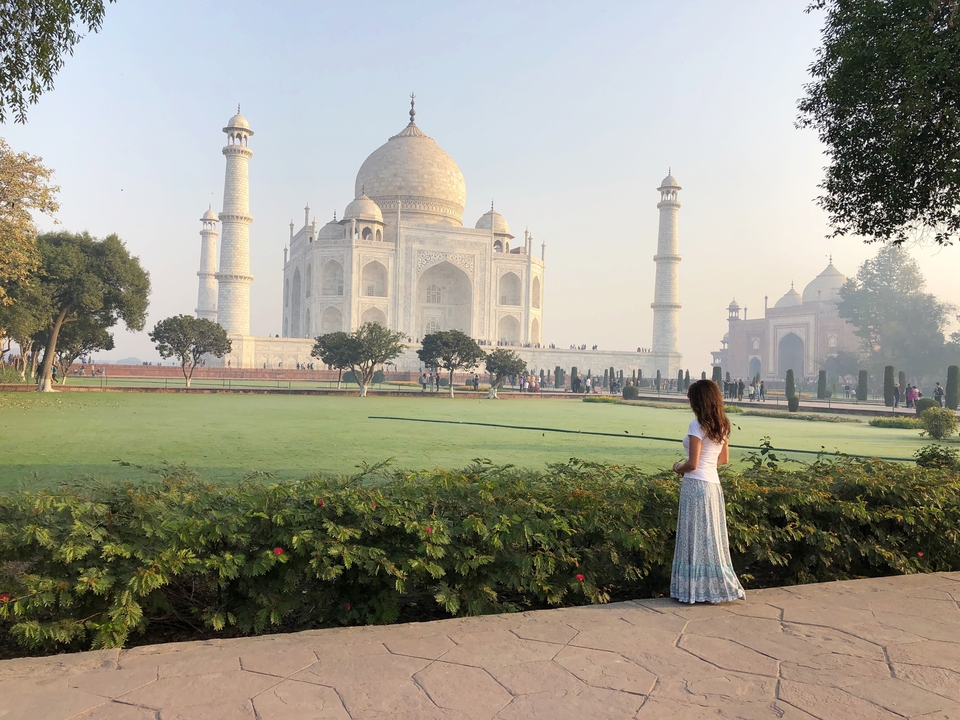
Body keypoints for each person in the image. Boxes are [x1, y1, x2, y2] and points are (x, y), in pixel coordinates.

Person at [670, 379, 745, 605]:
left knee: (693, 537)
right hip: (713, 485)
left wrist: (677, 467)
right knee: (711, 537)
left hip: (695, 484)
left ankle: (693, 589)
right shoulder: (722, 425)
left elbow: (692, 463)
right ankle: (713, 587)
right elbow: (723, 459)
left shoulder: (697, 425)